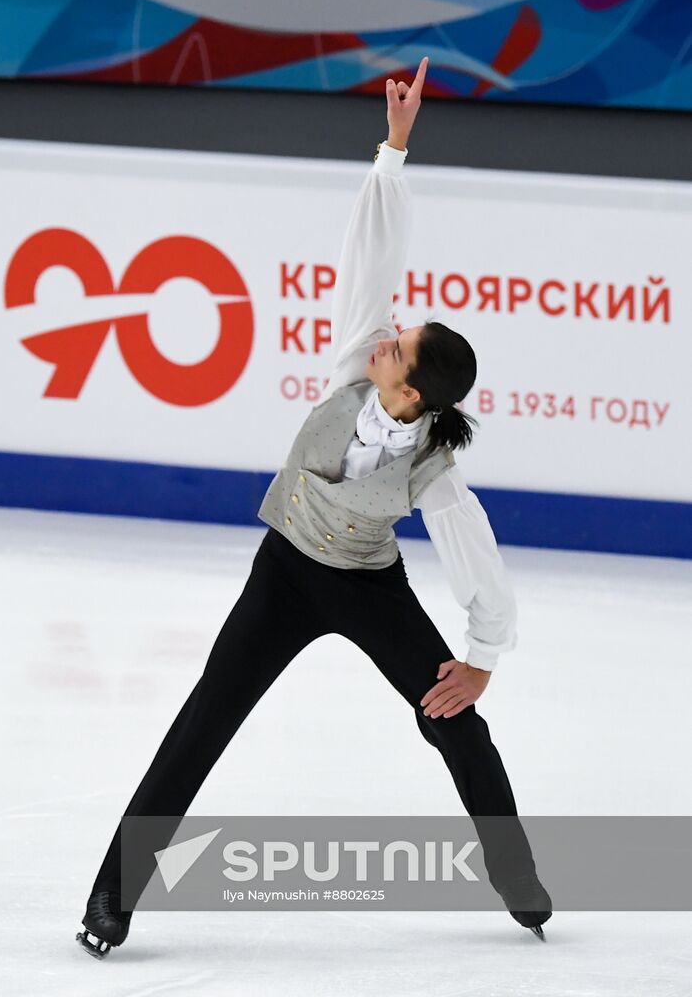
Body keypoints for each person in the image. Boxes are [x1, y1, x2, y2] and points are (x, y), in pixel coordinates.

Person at [76, 56, 552, 959]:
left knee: (454, 721)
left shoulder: (437, 471)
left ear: (415, 395)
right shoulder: (349, 371)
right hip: (285, 574)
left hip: (367, 588)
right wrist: (395, 149)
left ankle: (519, 877)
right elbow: (373, 255)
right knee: (203, 722)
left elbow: (477, 558)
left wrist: (482, 658)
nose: (382, 336)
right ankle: (111, 900)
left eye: (397, 346)